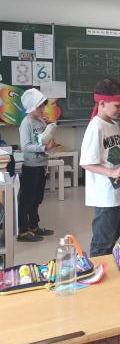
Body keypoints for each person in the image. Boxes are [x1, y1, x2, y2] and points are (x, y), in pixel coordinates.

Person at [80, 78, 120, 257]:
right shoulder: (95, 127)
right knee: (103, 242)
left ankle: (107, 265)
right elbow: (86, 162)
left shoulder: (114, 124)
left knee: (114, 234)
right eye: (118, 106)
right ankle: (98, 268)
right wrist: (112, 172)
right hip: (104, 195)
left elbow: (116, 153)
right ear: (102, 103)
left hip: (117, 192)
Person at [17, 88, 56, 242]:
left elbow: (44, 137)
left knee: (37, 199)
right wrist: (44, 148)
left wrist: (49, 126)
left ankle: (34, 226)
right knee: (27, 200)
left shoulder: (40, 120)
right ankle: (23, 231)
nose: (43, 109)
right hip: (31, 167)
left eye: (43, 106)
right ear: (31, 106)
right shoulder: (26, 123)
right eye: (39, 106)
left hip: (41, 165)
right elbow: (25, 146)